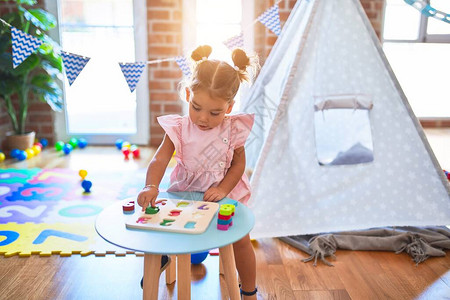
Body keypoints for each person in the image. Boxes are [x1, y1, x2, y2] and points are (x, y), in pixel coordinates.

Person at [137, 45, 258, 299]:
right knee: (161, 226)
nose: (203, 118)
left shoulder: (233, 129)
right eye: (196, 107)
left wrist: (223, 189)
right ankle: (162, 257)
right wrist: (151, 186)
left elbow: (238, 165)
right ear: (188, 94)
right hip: (184, 193)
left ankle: (248, 290)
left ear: (228, 106)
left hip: (224, 194)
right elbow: (159, 159)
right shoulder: (180, 127)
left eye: (214, 112)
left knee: (241, 241)